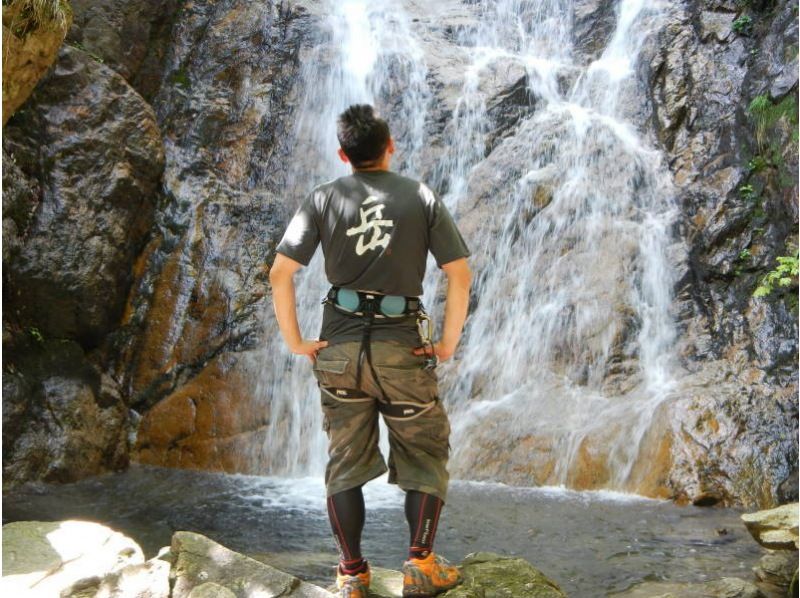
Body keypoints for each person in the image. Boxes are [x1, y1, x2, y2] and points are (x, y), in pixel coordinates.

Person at [269, 103, 472, 598]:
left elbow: (280, 272)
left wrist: (295, 342)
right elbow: (459, 273)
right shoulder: (419, 197)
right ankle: (420, 564)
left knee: (344, 461)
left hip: (338, 350)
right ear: (390, 146)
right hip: (402, 349)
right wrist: (447, 342)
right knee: (424, 455)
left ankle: (352, 573)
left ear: (343, 154)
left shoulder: (322, 198)